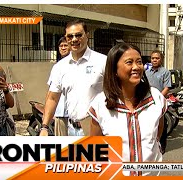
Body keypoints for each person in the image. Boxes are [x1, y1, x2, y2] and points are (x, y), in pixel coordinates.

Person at [88, 43, 166, 176]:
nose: (136, 67)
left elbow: (159, 130)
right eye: (129, 62)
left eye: (139, 62)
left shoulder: (156, 98)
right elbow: (95, 146)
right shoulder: (101, 104)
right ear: (114, 70)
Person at [40, 19, 107, 136]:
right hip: (71, 129)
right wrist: (44, 127)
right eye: (70, 36)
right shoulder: (60, 67)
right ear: (66, 38)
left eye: (78, 35)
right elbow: (52, 98)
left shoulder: (102, 61)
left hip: (98, 129)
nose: (74, 39)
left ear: (87, 36)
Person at [145, 50, 171, 154]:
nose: (154, 60)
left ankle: (162, 146)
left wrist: (157, 98)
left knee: (161, 124)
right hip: (147, 101)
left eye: (157, 58)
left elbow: (167, 87)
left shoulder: (165, 72)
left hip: (159, 101)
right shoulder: (146, 72)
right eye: (153, 58)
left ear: (161, 59)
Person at [47, 37, 71, 136]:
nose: (63, 48)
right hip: (61, 113)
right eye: (61, 46)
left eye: (65, 45)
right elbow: (50, 92)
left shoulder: (78, 65)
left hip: (75, 115)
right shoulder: (57, 67)